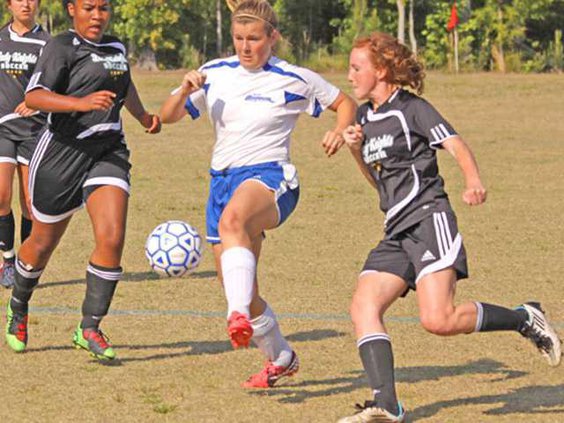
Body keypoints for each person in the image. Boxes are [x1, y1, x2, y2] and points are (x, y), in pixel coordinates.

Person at [338, 32, 562, 423]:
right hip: (396, 230)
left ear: (382, 69)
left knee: (437, 319)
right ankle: (386, 405)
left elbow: (454, 143)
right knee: (363, 305)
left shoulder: (412, 109)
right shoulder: (363, 118)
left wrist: (473, 180)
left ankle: (524, 317)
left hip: (428, 218)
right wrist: (356, 150)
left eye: (357, 67)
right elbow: (378, 182)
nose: (350, 75)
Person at [160, 0, 356, 388]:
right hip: (222, 182)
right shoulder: (214, 73)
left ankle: (234, 318)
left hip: (271, 178)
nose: (245, 47)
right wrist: (183, 89)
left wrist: (339, 129)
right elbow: (165, 117)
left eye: (254, 39)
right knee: (244, 291)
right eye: (238, 39)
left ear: (273, 37)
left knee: (234, 222)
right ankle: (282, 356)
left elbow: (345, 103)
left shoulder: (293, 78)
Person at [4, 0, 160, 361]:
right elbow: (35, 96)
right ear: (72, 9)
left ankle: (89, 326)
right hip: (61, 152)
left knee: (112, 237)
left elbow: (125, 85)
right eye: (89, 8)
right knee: (41, 242)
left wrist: (141, 116)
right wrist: (80, 103)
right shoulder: (60, 46)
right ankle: (19, 305)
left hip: (108, 151)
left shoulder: (117, 47)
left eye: (103, 8)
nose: (97, 16)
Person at [0, 0, 49, 288]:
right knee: (1, 195)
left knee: (31, 205)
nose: (26, 3)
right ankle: (7, 258)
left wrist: (37, 104)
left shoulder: (47, 43)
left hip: (35, 130)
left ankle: (25, 263)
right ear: (9, 5)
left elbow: (57, 83)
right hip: (3, 128)